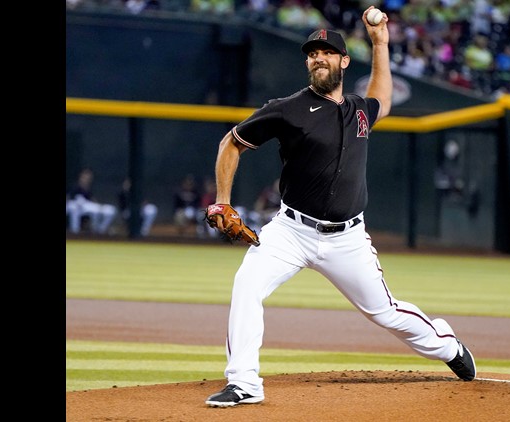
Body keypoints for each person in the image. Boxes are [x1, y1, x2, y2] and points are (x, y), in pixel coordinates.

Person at [202, 7, 476, 408]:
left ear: (344, 61)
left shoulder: (358, 111)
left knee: (385, 312)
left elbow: (383, 96)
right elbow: (232, 142)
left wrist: (380, 44)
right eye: (312, 53)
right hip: (290, 232)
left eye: (327, 52)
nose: (318, 58)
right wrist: (222, 201)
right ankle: (244, 383)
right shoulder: (288, 108)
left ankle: (447, 346)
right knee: (247, 285)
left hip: (348, 238)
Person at [66, 168, 117, 235]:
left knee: (110, 210)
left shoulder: (89, 189)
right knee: (74, 208)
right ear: (80, 176)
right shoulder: (74, 187)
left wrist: (99, 205)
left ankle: (99, 231)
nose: (86, 179)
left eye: (88, 177)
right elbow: (68, 197)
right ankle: (75, 232)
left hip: (87, 206)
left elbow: (92, 201)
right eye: (85, 176)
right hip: (74, 206)